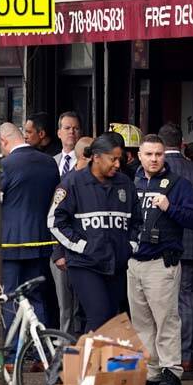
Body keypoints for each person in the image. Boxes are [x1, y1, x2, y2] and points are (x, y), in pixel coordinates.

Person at [128, 134, 193, 385]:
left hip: (162, 262)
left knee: (166, 320)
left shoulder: (177, 184)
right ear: (139, 155)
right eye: (148, 154)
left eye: (158, 154)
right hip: (134, 262)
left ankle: (172, 371)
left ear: (165, 155)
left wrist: (170, 207)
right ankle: (152, 372)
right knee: (141, 323)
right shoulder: (132, 181)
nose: (154, 159)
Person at [48, 134, 133, 331]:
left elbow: (136, 220)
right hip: (85, 263)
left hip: (116, 263)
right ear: (96, 157)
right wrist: (81, 246)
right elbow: (54, 221)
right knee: (99, 316)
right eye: (113, 159)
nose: (118, 164)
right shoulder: (72, 183)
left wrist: (129, 246)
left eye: (120, 159)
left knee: (111, 320)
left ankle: (93, 361)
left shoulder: (125, 183)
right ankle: (82, 362)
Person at [159, 124, 193, 373]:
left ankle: (166, 356)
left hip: (162, 244)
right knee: (187, 299)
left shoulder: (159, 170)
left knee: (162, 301)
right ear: (181, 144)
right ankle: (188, 356)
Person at [0, 121, 60, 327]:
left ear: (3, 141)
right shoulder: (49, 162)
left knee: (10, 297)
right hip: (40, 240)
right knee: (36, 297)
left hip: (10, 243)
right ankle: (38, 347)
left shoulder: (5, 165)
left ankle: (13, 353)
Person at [48, 111, 83, 334]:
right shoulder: (51, 163)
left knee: (80, 301)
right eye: (67, 128)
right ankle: (63, 345)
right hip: (56, 240)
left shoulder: (86, 163)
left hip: (79, 240)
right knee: (63, 302)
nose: (72, 132)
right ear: (59, 132)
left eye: (76, 128)